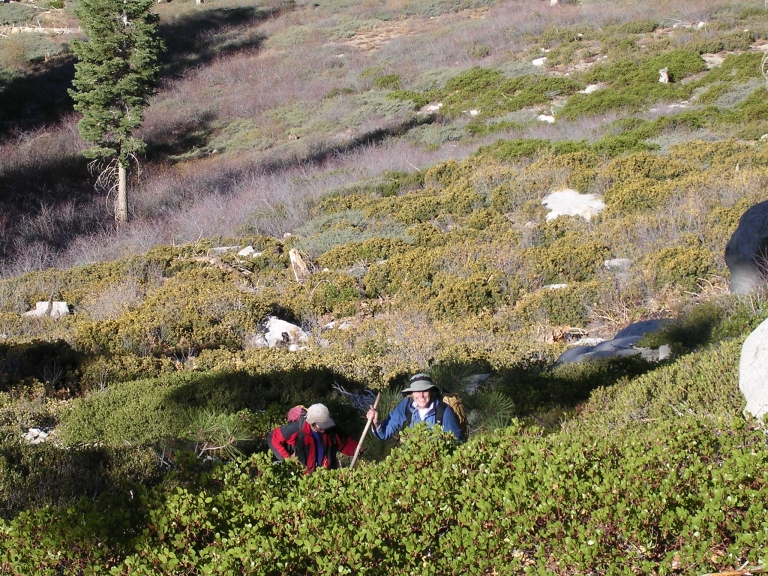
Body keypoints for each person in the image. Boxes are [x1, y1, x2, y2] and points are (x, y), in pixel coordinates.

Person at [366, 373, 463, 442]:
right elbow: (384, 434)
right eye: (417, 391)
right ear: (411, 393)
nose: (421, 395)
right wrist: (376, 423)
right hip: (411, 464)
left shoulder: (444, 412)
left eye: (425, 391)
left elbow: (456, 442)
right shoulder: (407, 405)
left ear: (431, 391)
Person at [267, 403, 358, 473]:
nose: (326, 427)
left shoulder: (332, 428)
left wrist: (355, 449)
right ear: (312, 423)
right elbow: (273, 437)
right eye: (322, 426)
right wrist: (287, 459)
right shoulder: (297, 429)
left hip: (326, 474)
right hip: (303, 476)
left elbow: (344, 442)